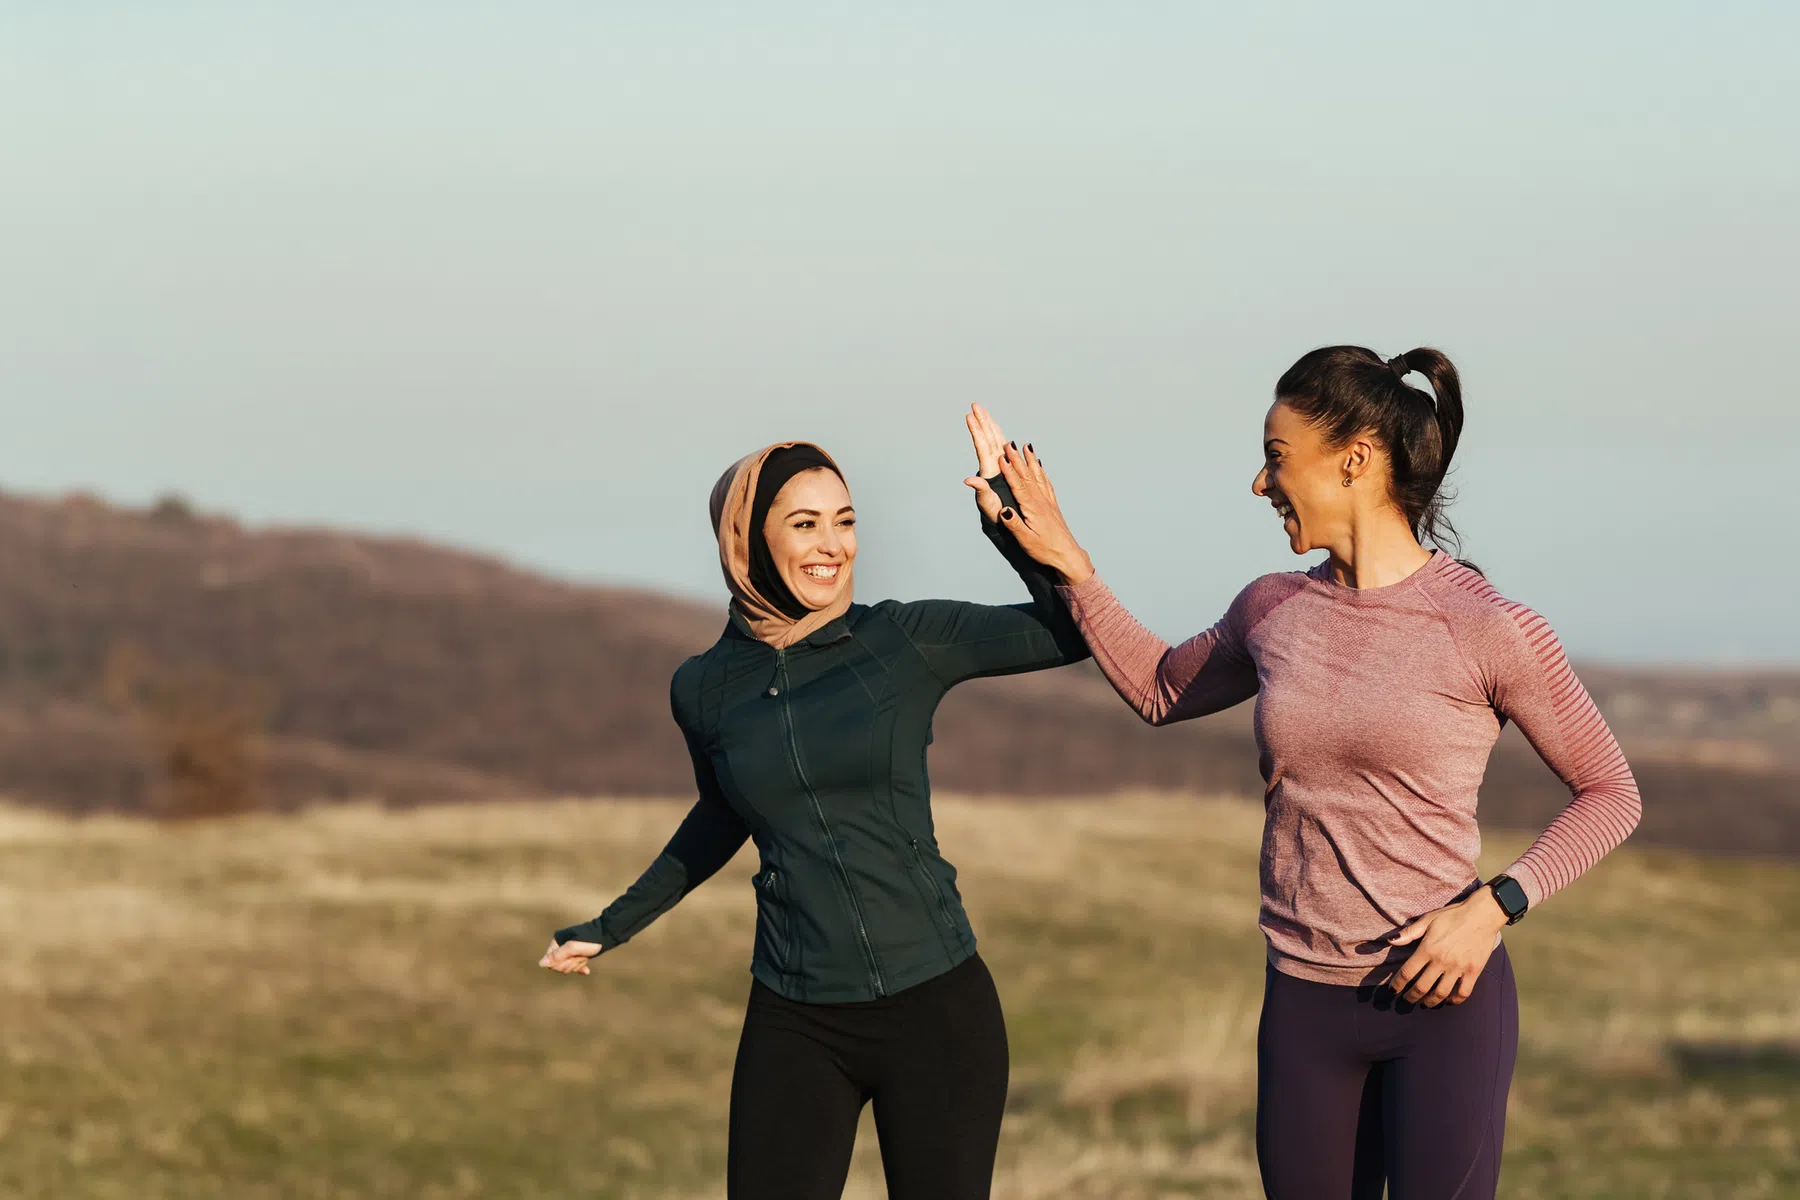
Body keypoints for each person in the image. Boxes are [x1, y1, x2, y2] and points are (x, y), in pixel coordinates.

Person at [980, 349, 1642, 1199]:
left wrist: (1496, 907)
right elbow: (1157, 688)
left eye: (1277, 456)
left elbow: (1611, 793)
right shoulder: (1271, 608)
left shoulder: (1487, 628)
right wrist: (1068, 559)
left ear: (1355, 459)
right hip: (1302, 1004)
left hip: (1441, 1001)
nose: (1262, 484)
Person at [540, 410, 1087, 1200]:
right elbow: (724, 814)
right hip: (797, 1016)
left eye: (846, 521)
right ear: (751, 540)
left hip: (937, 1008)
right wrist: (612, 925)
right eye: (805, 524)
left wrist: (1010, 519)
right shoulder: (703, 688)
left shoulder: (902, 641)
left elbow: (1069, 633)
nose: (834, 546)